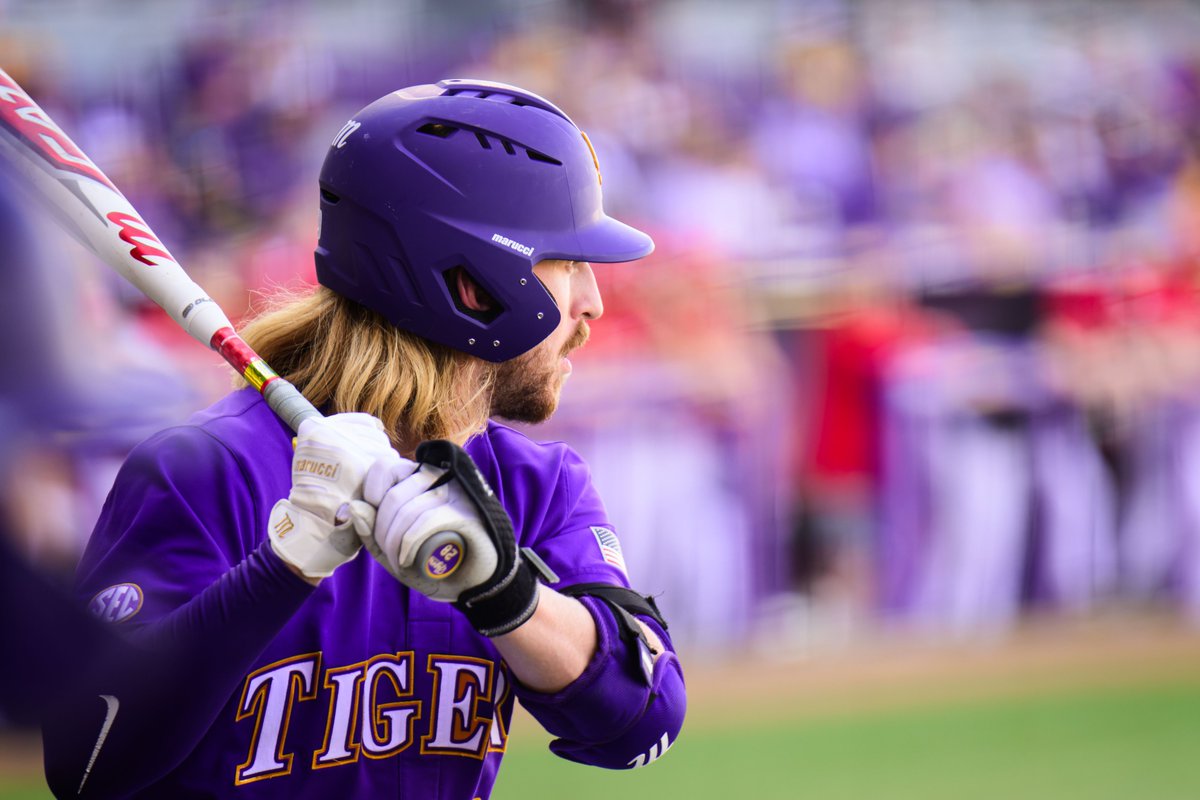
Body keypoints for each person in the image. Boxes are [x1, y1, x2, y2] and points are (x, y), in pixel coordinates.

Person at [43, 79, 686, 799]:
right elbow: (85, 761)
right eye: (567, 264)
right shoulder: (210, 469)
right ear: (475, 284)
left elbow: (643, 720)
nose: (593, 302)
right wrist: (283, 567)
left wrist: (505, 594)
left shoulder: (536, 487)